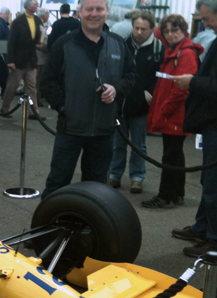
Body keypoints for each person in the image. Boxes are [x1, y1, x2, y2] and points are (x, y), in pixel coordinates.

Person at [39, 0, 136, 199]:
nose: (94, 14)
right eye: (89, 9)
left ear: (106, 12)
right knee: (58, 182)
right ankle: (49, 227)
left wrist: (116, 89)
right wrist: (65, 107)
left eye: (99, 9)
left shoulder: (118, 44)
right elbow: (47, 82)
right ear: (80, 12)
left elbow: (131, 76)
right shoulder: (64, 45)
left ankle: (87, 226)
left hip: (103, 130)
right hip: (70, 128)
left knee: (95, 187)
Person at [171, 0, 217, 256]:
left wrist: (192, 82)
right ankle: (203, 227)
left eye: (209, 19)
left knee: (213, 184)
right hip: (210, 123)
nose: (205, 25)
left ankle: (214, 240)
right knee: (207, 180)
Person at [142, 14, 203, 209]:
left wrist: (164, 110)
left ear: (184, 31)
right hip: (175, 112)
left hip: (175, 112)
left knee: (170, 155)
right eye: (167, 31)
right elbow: (157, 32)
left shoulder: (184, 53)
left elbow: (181, 90)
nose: (169, 34)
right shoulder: (175, 51)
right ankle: (177, 193)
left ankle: (165, 196)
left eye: (175, 30)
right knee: (176, 153)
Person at [108, 10, 163, 194]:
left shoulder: (158, 49)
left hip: (142, 105)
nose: (139, 32)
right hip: (121, 103)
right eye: (136, 28)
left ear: (152, 29)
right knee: (118, 143)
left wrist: (150, 95)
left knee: (139, 144)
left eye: (144, 29)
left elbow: (161, 77)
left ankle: (137, 177)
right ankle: (115, 175)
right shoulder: (123, 45)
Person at [0, 0, 45, 120]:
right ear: (29, 6)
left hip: (31, 59)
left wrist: (38, 44)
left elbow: (36, 38)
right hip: (18, 60)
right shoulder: (18, 22)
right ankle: (5, 109)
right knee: (12, 86)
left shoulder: (38, 20)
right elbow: (11, 42)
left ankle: (33, 112)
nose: (37, 6)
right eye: (35, 4)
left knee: (32, 87)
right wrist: (10, 60)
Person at [35, 8, 50, 107]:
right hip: (39, 57)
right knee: (37, 81)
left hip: (37, 57)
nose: (48, 17)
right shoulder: (40, 27)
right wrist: (46, 47)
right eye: (48, 15)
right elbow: (39, 43)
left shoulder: (38, 25)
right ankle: (36, 100)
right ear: (43, 16)